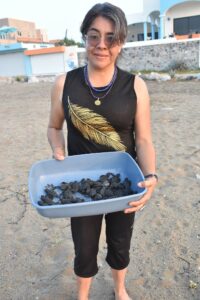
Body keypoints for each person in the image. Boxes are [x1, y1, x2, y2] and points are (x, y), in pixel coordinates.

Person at [47, 3, 158, 300]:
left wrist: (150, 175)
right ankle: (83, 295)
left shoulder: (136, 86)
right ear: (84, 37)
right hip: (81, 187)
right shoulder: (64, 84)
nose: (102, 45)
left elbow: (144, 140)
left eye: (111, 38)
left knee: (121, 242)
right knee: (84, 246)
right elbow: (54, 127)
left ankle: (119, 289)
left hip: (124, 184)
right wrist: (58, 148)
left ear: (121, 42)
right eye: (94, 36)